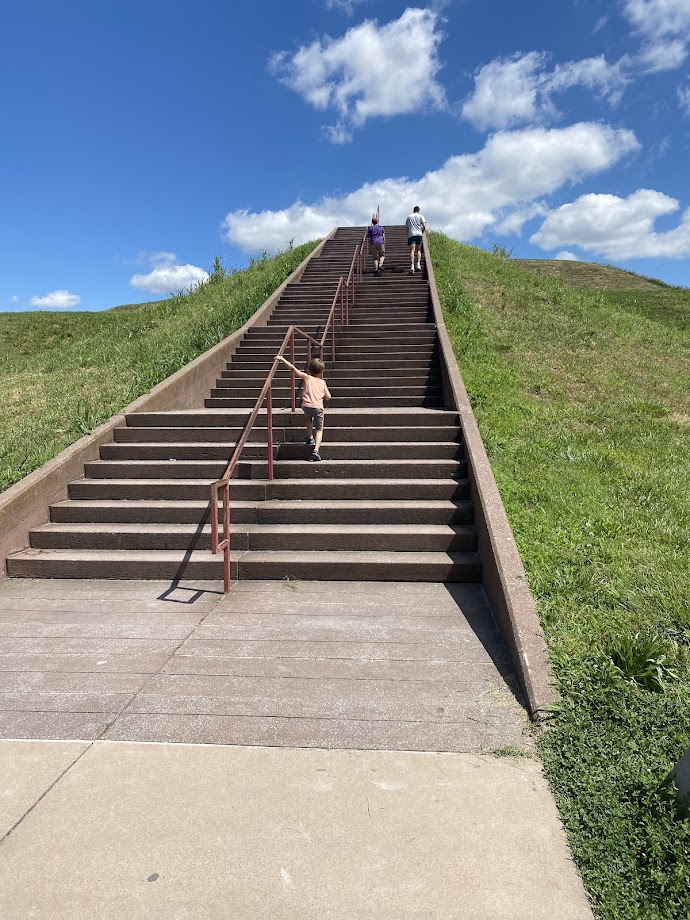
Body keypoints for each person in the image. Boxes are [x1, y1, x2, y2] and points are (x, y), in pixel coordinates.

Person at [275, 354, 331, 461]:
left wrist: (282, 359)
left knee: (309, 420)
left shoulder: (307, 377)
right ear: (321, 373)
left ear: (309, 370)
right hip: (318, 408)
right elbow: (328, 397)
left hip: (306, 406)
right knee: (319, 429)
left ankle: (309, 437)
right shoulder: (322, 382)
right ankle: (316, 450)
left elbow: (293, 369)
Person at [405, 206, 426, 274]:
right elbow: (424, 225)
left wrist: (408, 235)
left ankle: (412, 266)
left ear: (413, 210)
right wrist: (422, 231)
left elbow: (407, 227)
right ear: (419, 210)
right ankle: (418, 264)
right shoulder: (421, 216)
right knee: (419, 250)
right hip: (419, 234)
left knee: (412, 251)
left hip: (412, 235)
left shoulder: (409, 217)